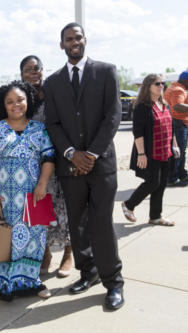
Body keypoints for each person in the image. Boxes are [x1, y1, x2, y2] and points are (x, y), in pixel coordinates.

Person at [44, 22, 124, 310]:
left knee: (101, 225)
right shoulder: (52, 83)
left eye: (78, 37)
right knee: (76, 226)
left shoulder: (105, 72)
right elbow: (52, 123)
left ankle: (113, 282)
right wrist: (70, 153)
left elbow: (113, 116)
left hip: (100, 165)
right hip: (70, 168)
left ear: (85, 40)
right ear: (61, 44)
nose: (74, 42)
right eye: (68, 39)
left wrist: (90, 154)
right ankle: (87, 273)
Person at [0, 80, 54, 301]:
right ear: (3, 105)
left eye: (20, 100)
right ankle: (2, 281)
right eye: (10, 101)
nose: (16, 105)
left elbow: (49, 158)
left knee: (35, 237)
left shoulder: (39, 129)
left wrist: (42, 183)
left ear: (28, 101)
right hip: (5, 196)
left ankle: (30, 281)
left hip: (35, 195)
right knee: (5, 236)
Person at [19, 55, 74, 278]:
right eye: (28, 70)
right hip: (36, 164)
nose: (34, 73)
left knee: (69, 206)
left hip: (63, 158)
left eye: (37, 68)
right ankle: (46, 253)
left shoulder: (55, 92)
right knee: (40, 208)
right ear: (21, 74)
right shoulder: (22, 99)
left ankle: (69, 253)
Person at [121, 74, 179, 226]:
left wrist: (175, 145)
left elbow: (170, 128)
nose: (161, 86)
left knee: (161, 184)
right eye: (157, 84)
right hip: (151, 152)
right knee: (153, 182)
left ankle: (155, 216)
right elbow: (138, 132)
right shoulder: (142, 107)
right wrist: (141, 153)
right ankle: (129, 205)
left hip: (166, 151)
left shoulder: (164, 104)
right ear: (148, 87)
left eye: (163, 83)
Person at [165, 70, 188, 187]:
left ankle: (181, 173)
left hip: (177, 122)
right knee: (178, 151)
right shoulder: (178, 90)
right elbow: (178, 106)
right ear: (185, 80)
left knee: (179, 151)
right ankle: (173, 177)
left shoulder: (173, 87)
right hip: (178, 123)